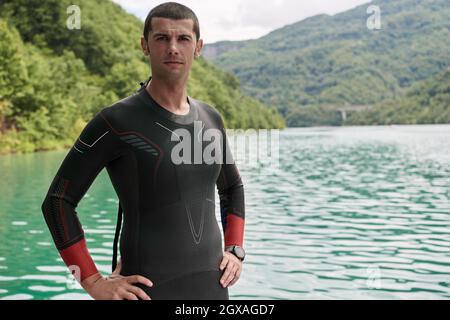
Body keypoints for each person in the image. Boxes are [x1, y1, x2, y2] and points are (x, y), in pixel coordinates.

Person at [41, 2, 246, 300]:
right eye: (162, 38)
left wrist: (235, 249)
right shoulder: (116, 121)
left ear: (198, 47)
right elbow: (57, 201)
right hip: (146, 292)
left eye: (183, 39)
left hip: (212, 289)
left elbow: (232, 187)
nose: (173, 48)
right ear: (145, 45)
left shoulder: (211, 119)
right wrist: (92, 281)